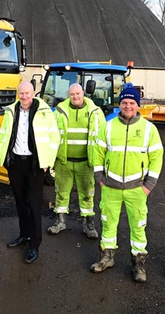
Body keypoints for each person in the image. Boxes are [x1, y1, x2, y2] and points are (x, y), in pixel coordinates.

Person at [90, 83, 163, 283]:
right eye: (124, 102)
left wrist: (149, 185)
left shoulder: (149, 129)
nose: (128, 106)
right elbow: (98, 154)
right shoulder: (109, 126)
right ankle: (107, 257)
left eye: (132, 102)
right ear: (119, 104)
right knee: (107, 223)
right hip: (110, 187)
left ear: (138, 105)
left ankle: (138, 264)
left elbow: (157, 157)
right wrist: (100, 180)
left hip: (137, 189)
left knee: (138, 226)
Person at [0, 81, 59, 264]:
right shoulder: (12, 111)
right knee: (19, 202)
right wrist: (5, 156)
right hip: (16, 162)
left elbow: (54, 137)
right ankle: (24, 234)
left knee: (33, 204)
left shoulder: (44, 112)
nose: (24, 96)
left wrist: (47, 162)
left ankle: (35, 244)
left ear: (33, 93)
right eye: (21, 93)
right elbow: (4, 133)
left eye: (27, 93)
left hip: (36, 164)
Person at [48, 83, 105, 239]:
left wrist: (102, 162)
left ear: (83, 93)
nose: (75, 97)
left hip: (86, 163)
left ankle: (89, 226)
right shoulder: (59, 111)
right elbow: (51, 135)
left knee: (87, 194)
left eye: (78, 94)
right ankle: (60, 222)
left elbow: (103, 137)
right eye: (72, 94)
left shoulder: (95, 112)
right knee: (61, 193)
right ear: (69, 95)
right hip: (64, 162)